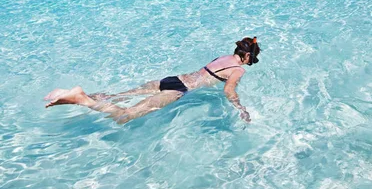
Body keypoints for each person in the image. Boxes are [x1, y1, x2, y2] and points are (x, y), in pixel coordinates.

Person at [44, 37, 260, 124]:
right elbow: (228, 91)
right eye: (252, 60)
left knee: (118, 96)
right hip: (178, 90)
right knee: (126, 116)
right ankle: (83, 99)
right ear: (248, 56)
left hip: (172, 79)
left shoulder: (222, 58)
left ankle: (71, 93)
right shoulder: (238, 70)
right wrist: (240, 108)